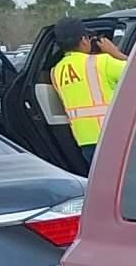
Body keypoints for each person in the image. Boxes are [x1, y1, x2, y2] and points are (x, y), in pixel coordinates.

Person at [48, 20, 127, 161]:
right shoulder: (102, 62)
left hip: (84, 142)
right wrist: (115, 53)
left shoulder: (56, 72)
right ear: (84, 40)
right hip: (111, 136)